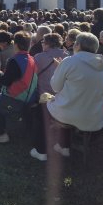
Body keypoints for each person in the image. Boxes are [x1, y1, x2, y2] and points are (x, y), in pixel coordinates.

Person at [47, 32, 103, 158]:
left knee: (46, 104)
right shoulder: (100, 64)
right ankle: (67, 143)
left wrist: (59, 68)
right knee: (67, 103)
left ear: (78, 45)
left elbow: (55, 87)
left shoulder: (69, 61)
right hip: (94, 113)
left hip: (71, 112)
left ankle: (57, 145)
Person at [0, 31, 37, 144]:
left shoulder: (14, 60)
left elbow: (6, 82)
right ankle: (3, 129)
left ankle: (1, 134)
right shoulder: (32, 59)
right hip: (29, 96)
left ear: (15, 45)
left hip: (15, 97)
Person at [30, 33, 68, 161]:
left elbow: (32, 76)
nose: (41, 45)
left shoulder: (39, 57)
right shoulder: (68, 56)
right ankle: (62, 144)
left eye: (42, 43)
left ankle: (41, 150)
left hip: (44, 96)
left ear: (47, 44)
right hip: (62, 97)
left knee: (40, 121)